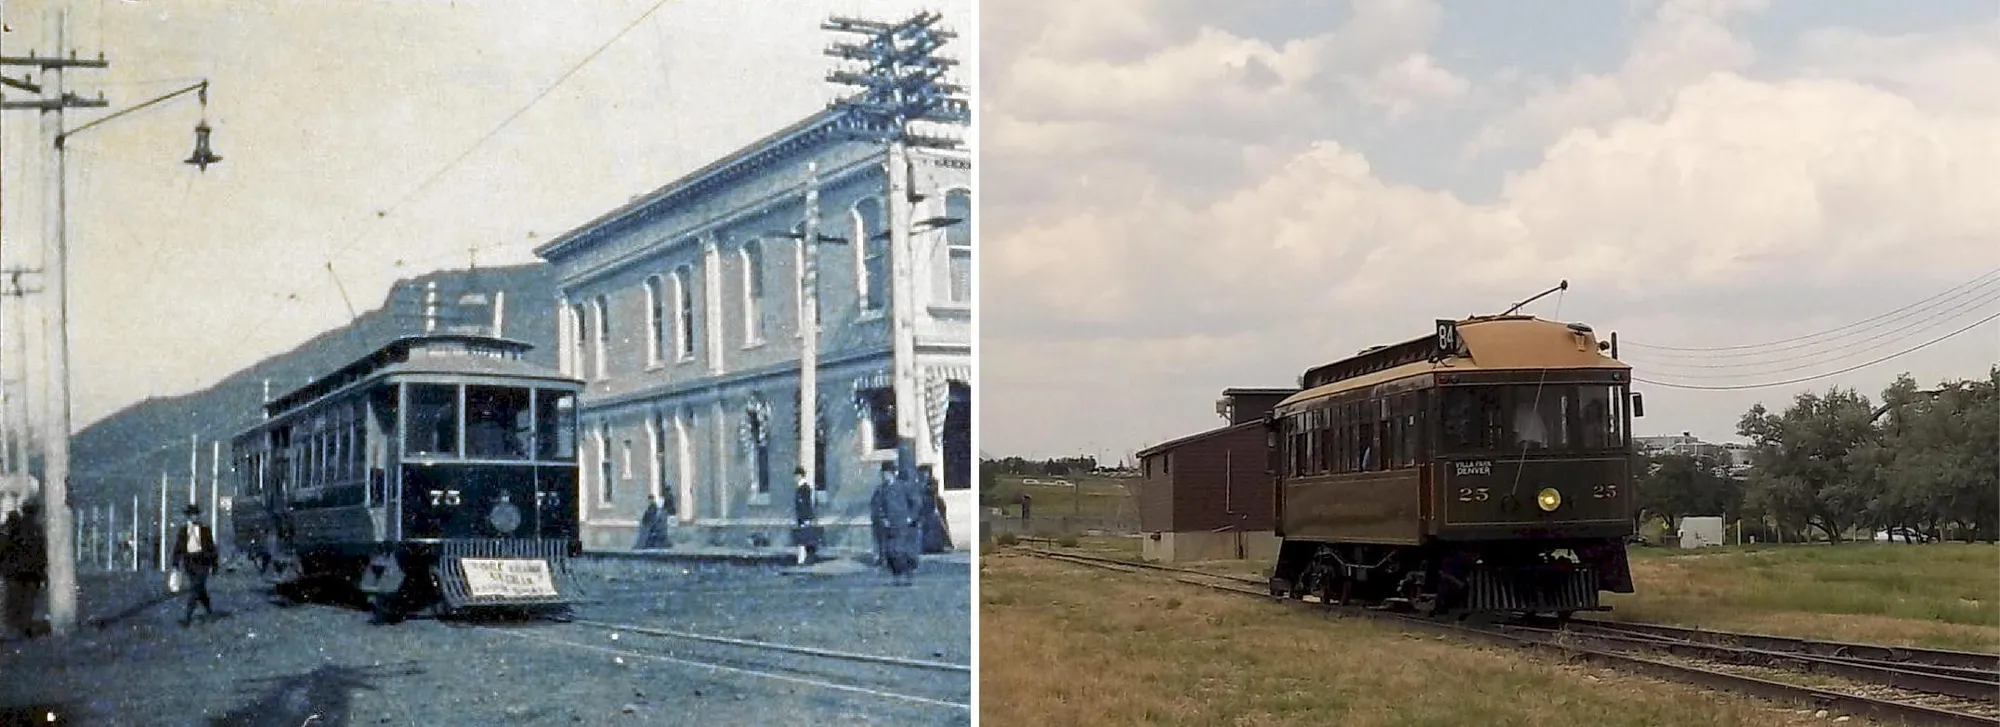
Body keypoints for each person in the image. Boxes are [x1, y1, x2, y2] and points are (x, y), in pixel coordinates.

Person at [873, 463, 923, 586]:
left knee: (901, 551)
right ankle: (896, 576)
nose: (885, 476)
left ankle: (908, 575)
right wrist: (883, 518)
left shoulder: (903, 487)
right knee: (890, 551)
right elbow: (877, 506)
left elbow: (916, 503)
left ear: (894, 474)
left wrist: (910, 517)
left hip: (902, 524)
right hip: (889, 525)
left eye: (888, 473)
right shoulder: (881, 490)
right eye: (884, 474)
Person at [1, 502, 45, 639]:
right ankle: (24, 627)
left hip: (14, 572)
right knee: (28, 602)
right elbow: (41, 553)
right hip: (32, 573)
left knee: (13, 601)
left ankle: (13, 627)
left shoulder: (11, 530)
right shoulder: (37, 530)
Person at [172, 504, 218, 627]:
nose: (194, 517)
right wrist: (175, 564)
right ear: (188, 517)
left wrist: (214, 565)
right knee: (200, 589)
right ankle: (209, 611)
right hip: (190, 563)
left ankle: (187, 617)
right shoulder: (183, 531)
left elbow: (212, 548)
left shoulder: (205, 530)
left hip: (203, 563)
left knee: (195, 588)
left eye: (196, 515)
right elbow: (178, 548)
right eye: (192, 515)